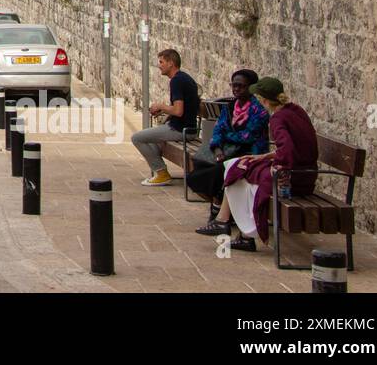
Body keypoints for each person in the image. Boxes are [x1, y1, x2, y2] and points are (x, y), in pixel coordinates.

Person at [211, 77, 319, 252]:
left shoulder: (277, 119)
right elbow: (292, 147)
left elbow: (287, 151)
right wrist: (265, 156)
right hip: (306, 173)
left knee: (241, 171)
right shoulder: (296, 110)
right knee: (241, 166)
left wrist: (273, 165)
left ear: (265, 100)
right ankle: (234, 227)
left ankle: (238, 229)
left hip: (293, 179)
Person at [188, 69, 270, 224]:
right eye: (234, 85)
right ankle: (218, 204)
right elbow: (218, 130)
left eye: (241, 86)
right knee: (198, 166)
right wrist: (218, 149)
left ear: (251, 88)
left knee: (218, 171)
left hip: (250, 155)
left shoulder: (259, 111)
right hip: (228, 151)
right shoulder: (230, 107)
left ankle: (218, 207)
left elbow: (247, 137)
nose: (236, 89)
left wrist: (225, 137)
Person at [131, 48, 201, 186]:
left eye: (162, 62)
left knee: (137, 138)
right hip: (186, 127)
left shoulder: (176, 81)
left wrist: (161, 106)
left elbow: (178, 111)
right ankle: (159, 171)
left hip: (181, 130)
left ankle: (161, 172)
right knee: (150, 139)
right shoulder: (183, 78)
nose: (159, 65)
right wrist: (164, 112)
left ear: (171, 63)